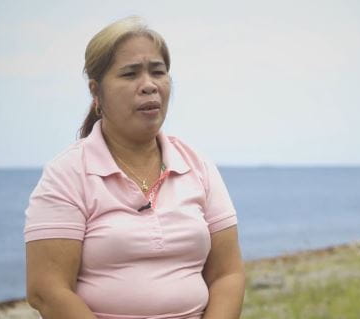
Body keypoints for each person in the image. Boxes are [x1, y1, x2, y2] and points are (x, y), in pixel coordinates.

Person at [24, 16, 245, 319]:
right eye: (130, 74)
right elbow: (47, 291)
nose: (149, 86)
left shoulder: (198, 166)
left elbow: (227, 275)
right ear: (96, 92)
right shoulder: (67, 174)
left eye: (158, 72)